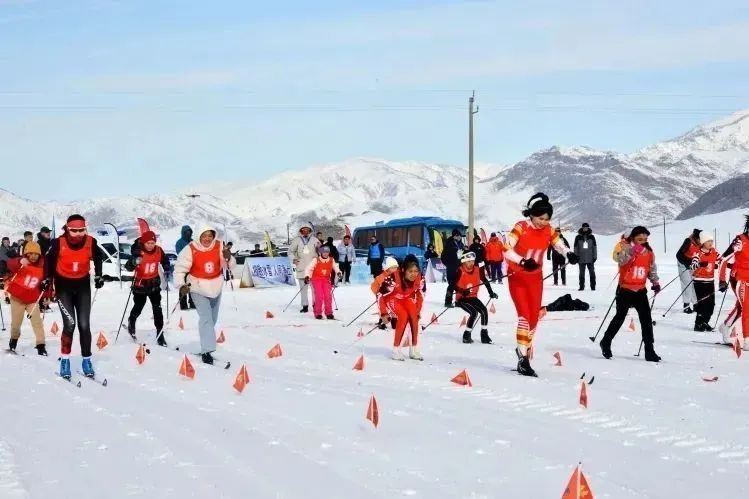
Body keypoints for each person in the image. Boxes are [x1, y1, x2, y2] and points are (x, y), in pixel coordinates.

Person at [504, 193, 578, 377]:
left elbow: (558, 244)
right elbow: (506, 248)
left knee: (534, 317)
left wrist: (569, 253)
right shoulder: (521, 227)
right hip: (518, 276)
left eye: (547, 219)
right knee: (524, 317)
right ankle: (522, 358)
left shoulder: (548, 230)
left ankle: (525, 350)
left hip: (536, 278)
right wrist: (522, 262)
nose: (543, 222)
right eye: (540, 218)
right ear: (531, 214)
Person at [44, 214, 105, 379]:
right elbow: (48, 261)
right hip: (64, 287)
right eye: (74, 231)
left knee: (84, 325)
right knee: (70, 324)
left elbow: (99, 257)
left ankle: (86, 360)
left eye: (81, 230)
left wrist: (99, 275)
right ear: (67, 229)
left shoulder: (90, 242)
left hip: (83, 286)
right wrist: (47, 280)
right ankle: (65, 360)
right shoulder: (58, 243)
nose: (78, 234)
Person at [599, 226, 661, 362]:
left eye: (645, 239)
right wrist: (632, 251)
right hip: (625, 289)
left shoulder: (649, 252)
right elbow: (620, 260)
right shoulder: (626, 248)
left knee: (646, 320)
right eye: (639, 239)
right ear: (632, 238)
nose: (643, 241)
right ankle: (606, 341)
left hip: (640, 290)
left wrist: (655, 282)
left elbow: (651, 268)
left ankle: (649, 350)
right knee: (620, 317)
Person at [174, 226, 225, 364]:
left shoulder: (219, 245)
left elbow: (227, 264)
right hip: (197, 287)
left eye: (210, 235)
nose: (207, 238)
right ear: (198, 236)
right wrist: (181, 284)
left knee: (212, 319)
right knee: (206, 318)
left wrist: (228, 258)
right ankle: (207, 351)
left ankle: (206, 344)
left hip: (216, 286)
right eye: (204, 235)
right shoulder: (190, 248)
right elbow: (179, 269)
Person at [125, 231, 171, 346]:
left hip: (154, 284)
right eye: (148, 243)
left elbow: (165, 260)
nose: (151, 245)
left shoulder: (159, 250)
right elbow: (128, 267)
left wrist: (166, 267)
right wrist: (134, 262)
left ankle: (160, 333)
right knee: (139, 306)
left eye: (153, 243)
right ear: (144, 243)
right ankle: (132, 321)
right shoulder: (138, 252)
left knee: (157, 309)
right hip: (140, 284)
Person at [3, 241, 49, 355]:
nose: (33, 256)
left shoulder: (43, 266)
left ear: (39, 254)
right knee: (16, 323)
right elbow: (10, 264)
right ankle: (13, 341)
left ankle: (40, 345)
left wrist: (46, 295)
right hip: (17, 298)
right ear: (26, 254)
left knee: (37, 322)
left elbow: (47, 283)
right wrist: (19, 261)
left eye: (36, 254)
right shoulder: (21, 262)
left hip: (32, 299)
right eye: (30, 253)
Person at [717, 217, 749, 350]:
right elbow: (723, 259)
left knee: (741, 307)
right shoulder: (740, 241)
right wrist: (722, 280)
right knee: (747, 306)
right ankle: (747, 341)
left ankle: (725, 326)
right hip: (739, 279)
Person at [455, 251, 498, 344]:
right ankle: (466, 335)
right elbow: (453, 286)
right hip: (462, 298)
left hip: (473, 297)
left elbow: (485, 280)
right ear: (463, 261)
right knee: (474, 313)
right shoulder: (460, 271)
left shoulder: (477, 270)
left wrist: (491, 292)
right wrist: (462, 291)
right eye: (469, 261)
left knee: (484, 311)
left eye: (472, 261)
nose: (471, 263)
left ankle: (484, 335)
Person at [389, 256, 424, 361]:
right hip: (393, 298)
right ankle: (395, 350)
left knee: (414, 318)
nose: (414, 274)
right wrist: (383, 313)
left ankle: (413, 349)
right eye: (410, 271)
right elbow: (382, 295)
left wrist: (417, 310)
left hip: (406, 298)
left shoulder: (419, 278)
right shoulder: (395, 276)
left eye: (416, 271)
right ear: (404, 270)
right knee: (403, 316)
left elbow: (420, 295)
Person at [691, 232, 719, 332]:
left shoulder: (714, 252)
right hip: (699, 282)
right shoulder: (698, 253)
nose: (711, 243)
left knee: (711, 304)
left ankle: (705, 322)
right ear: (703, 242)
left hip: (710, 281)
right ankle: (698, 324)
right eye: (708, 241)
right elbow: (692, 266)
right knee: (702, 303)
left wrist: (717, 264)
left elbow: (720, 260)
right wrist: (699, 264)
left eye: (711, 241)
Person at [288, 224, 320, 313]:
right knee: (303, 289)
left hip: (313, 267)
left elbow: (321, 251)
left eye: (307, 230)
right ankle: (305, 305)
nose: (305, 231)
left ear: (310, 231)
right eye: (303, 230)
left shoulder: (315, 239)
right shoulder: (297, 240)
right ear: (301, 231)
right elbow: (290, 251)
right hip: (301, 267)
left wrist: (319, 249)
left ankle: (315, 304)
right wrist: (294, 259)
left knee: (315, 289)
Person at [304, 246, 342, 320]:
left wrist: (339, 272)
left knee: (328, 296)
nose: (325, 254)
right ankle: (318, 313)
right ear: (321, 252)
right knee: (319, 296)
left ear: (329, 253)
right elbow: (308, 268)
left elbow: (336, 268)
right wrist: (307, 276)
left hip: (326, 279)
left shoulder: (331, 260)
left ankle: (329, 313)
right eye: (324, 252)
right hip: (316, 279)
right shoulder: (316, 260)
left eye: (327, 252)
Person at [371, 257, 401, 330]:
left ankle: (395, 321)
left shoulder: (398, 275)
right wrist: (379, 292)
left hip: (394, 297)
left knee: (394, 310)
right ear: (387, 268)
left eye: (396, 267)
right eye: (392, 267)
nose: (395, 269)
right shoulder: (381, 277)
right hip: (383, 297)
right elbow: (374, 287)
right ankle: (382, 321)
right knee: (384, 309)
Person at [676, 229, 701, 314]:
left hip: (692, 264)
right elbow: (679, 255)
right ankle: (686, 306)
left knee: (694, 284)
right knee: (687, 284)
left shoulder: (700, 244)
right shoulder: (688, 241)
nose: (701, 241)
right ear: (696, 237)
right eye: (700, 239)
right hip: (683, 264)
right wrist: (687, 263)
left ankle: (696, 305)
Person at [441, 229, 465, 307]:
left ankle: (458, 300)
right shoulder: (449, 243)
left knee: (459, 284)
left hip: (459, 266)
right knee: (451, 284)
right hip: (451, 266)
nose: (459, 237)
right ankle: (448, 301)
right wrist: (448, 264)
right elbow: (443, 256)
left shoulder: (461, 244)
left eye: (460, 236)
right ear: (455, 236)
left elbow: (463, 254)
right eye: (458, 236)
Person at [175, 225, 196, 310]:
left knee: (192, 285)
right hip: (183, 266)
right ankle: (183, 304)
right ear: (183, 232)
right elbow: (179, 252)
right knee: (183, 285)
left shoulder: (193, 241)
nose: (188, 233)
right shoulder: (179, 242)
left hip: (193, 267)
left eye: (189, 231)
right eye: (186, 232)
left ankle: (192, 302)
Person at [573, 223, 597, 291]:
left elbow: (594, 247)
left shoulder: (592, 237)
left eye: (586, 227)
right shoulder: (578, 237)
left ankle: (593, 286)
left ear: (588, 228)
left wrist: (595, 256)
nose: (585, 228)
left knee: (592, 272)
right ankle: (581, 287)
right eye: (584, 227)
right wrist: (576, 256)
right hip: (581, 258)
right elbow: (575, 248)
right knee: (581, 273)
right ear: (582, 228)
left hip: (590, 258)